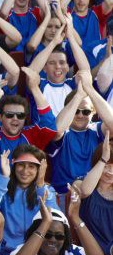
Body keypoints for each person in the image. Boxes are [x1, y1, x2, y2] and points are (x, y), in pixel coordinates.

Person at [0, 68, 57, 192]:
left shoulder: (30, 136)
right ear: (0, 117)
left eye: (20, 116)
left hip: (25, 201)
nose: (15, 119)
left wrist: (35, 88)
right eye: (9, 115)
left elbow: (50, 126)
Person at [9, 185, 106, 255]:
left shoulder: (74, 252)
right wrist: (45, 222)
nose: (52, 240)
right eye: (46, 234)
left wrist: (75, 218)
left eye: (59, 237)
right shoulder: (22, 251)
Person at [48, 71, 113, 203]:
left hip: (95, 195)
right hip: (65, 195)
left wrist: (89, 89)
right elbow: (57, 131)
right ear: (68, 109)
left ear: (93, 112)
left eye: (86, 111)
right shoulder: (63, 130)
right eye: (76, 110)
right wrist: (78, 96)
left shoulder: (96, 129)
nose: (80, 115)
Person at [0, 144, 59, 255]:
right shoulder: (3, 187)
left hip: (37, 252)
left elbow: (53, 219)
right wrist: (4, 177)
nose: (25, 171)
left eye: (31, 166)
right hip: (5, 253)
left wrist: (40, 185)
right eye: (21, 165)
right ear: (14, 166)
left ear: (39, 169)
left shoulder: (47, 190)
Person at [26, 17, 89, 119]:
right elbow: (31, 72)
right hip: (45, 133)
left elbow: (86, 72)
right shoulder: (40, 85)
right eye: (52, 63)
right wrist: (53, 42)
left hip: (67, 132)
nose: (58, 66)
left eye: (62, 62)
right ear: (44, 68)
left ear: (68, 67)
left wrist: (71, 37)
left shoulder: (71, 84)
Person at [74, 138, 113, 252]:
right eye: (106, 166)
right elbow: (85, 191)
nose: (110, 172)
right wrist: (103, 159)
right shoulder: (81, 183)